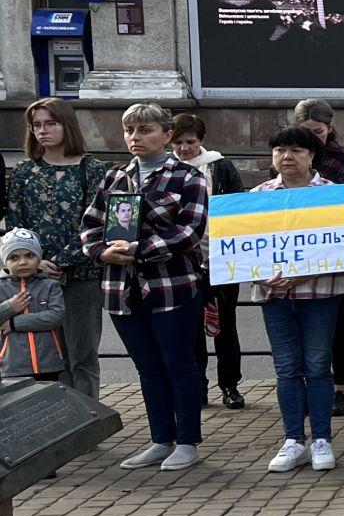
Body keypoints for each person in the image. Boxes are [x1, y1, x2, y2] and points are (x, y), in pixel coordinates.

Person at [81, 103, 211, 472]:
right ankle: (160, 439)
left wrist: (137, 251)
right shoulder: (114, 177)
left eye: (145, 130)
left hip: (172, 287)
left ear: (166, 135)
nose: (136, 138)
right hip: (121, 289)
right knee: (148, 368)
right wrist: (103, 251)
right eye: (130, 131)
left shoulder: (189, 177)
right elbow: (90, 224)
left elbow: (189, 233)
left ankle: (187, 442)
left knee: (179, 364)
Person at [248, 127, 344, 474]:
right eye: (279, 150)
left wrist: (310, 270)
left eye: (295, 150)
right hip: (273, 293)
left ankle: (321, 439)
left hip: (320, 292)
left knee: (318, 366)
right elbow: (239, 247)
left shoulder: (333, 195)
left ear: (312, 155)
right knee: (286, 368)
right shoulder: (256, 196)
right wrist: (256, 273)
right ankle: (293, 440)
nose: (286, 156)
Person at [6, 97, 108, 398]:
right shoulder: (25, 172)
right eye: (36, 125)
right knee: (50, 357)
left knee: (82, 356)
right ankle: (60, 427)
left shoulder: (92, 169)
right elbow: (16, 225)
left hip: (82, 275)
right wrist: (37, 262)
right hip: (34, 277)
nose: (43, 130)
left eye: (50, 123)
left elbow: (97, 222)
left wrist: (60, 261)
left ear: (67, 125)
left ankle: (89, 421)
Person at [290, 99, 344, 417]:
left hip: (333, 248)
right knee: (298, 320)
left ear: (330, 128)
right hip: (296, 246)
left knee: (337, 320)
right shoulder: (289, 156)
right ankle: (308, 384)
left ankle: (339, 389)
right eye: (306, 132)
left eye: (318, 132)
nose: (313, 138)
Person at [170, 113, 246, 411]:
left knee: (226, 323)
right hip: (183, 258)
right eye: (178, 143)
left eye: (190, 142)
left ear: (201, 141)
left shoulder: (220, 166)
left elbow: (239, 206)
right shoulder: (169, 169)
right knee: (189, 326)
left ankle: (230, 385)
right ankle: (197, 385)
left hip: (221, 254)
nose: (184, 148)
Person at [0, 231, 65, 382]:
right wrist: (9, 307)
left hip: (48, 364)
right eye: (14, 257)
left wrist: (14, 323)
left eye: (29, 256)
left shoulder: (50, 285)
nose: (22, 262)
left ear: (39, 258)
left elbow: (56, 316)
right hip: (11, 366)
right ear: (5, 262)